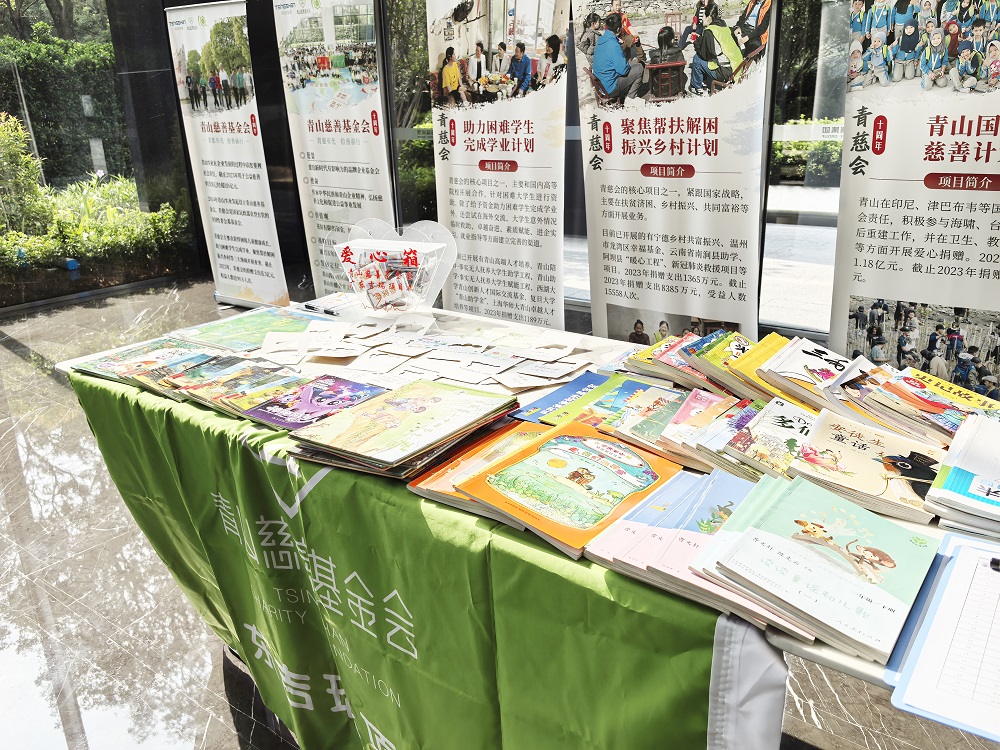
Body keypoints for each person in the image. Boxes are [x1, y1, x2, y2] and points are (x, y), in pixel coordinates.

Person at [593, 14, 643, 100]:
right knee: (639, 68)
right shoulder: (614, 45)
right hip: (610, 88)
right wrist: (629, 64)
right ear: (618, 29)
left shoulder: (601, 40)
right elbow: (623, 71)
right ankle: (631, 98)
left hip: (601, 84)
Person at [689, 15, 743, 94]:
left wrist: (696, 42)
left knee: (697, 59)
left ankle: (696, 86)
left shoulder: (709, 31)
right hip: (737, 66)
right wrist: (701, 38)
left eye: (703, 17)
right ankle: (704, 81)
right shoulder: (724, 27)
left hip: (725, 72)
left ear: (709, 17)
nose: (701, 19)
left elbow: (705, 55)